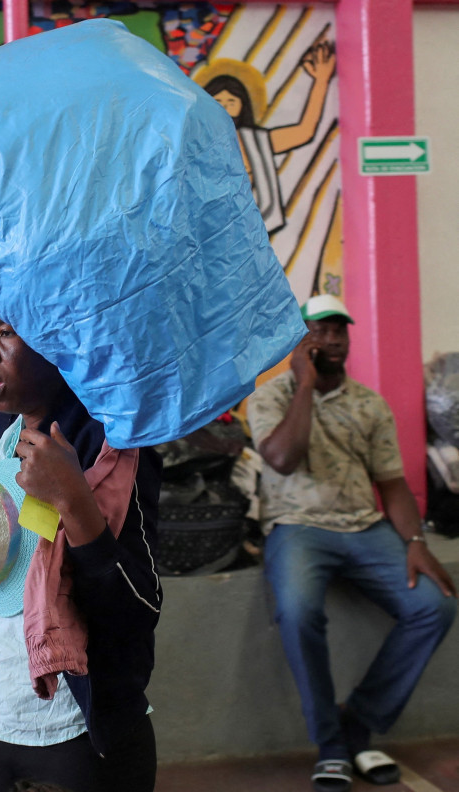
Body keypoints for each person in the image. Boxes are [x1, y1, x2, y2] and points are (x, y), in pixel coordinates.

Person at [0, 296, 162, 792]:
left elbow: (138, 608)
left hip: (81, 740)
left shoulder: (110, 445)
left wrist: (74, 501)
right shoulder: (2, 434)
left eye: (6, 332)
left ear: (57, 341)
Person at [247, 295, 456, 792]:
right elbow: (281, 458)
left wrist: (415, 540)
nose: (332, 338)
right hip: (296, 528)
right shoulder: (270, 397)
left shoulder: (368, 403)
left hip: (365, 528)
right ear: (300, 340)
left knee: (435, 606)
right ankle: (332, 746)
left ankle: (357, 723)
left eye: (339, 329)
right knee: (298, 612)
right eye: (319, 330)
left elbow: (392, 484)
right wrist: (304, 385)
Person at [198, 41, 335, 233]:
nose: (225, 108)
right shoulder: (193, 142)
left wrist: (321, 81)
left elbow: (305, 131)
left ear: (242, 105)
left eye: (231, 101)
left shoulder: (255, 142)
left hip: (251, 229)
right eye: (218, 101)